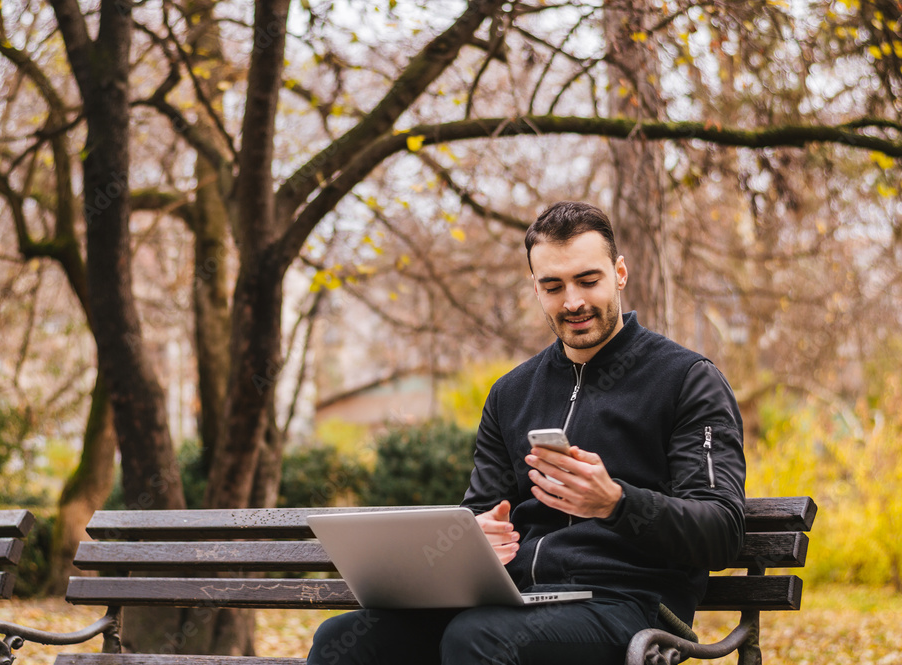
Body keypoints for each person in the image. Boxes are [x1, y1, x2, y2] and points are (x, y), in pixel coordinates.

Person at [307, 201, 746, 665]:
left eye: (588, 280)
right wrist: (475, 538)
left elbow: (722, 530)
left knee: (477, 637)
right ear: (535, 288)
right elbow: (479, 511)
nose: (572, 301)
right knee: (345, 638)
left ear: (620, 273)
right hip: (517, 601)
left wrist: (616, 503)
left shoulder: (686, 379)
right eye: (552, 286)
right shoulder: (512, 392)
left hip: (633, 606)